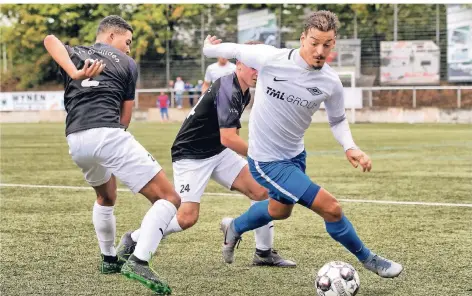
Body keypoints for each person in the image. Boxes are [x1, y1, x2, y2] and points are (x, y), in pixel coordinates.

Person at [203, 10, 403, 279]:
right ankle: (369, 260)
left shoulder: (330, 82)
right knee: (331, 208)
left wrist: (350, 146)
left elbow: (338, 120)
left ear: (333, 44)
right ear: (302, 39)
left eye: (327, 44)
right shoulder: (270, 58)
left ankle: (234, 226)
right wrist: (208, 46)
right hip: (266, 161)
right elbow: (229, 48)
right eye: (314, 43)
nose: (320, 51)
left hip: (296, 154)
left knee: (279, 210)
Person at [116, 41, 295, 268]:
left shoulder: (244, 92)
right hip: (191, 154)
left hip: (218, 151)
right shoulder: (228, 88)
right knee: (186, 218)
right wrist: (262, 157)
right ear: (239, 63)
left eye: (260, 65)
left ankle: (263, 252)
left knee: (262, 191)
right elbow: (228, 137)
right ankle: (133, 239)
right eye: (252, 65)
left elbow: (231, 134)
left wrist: (246, 161)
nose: (257, 71)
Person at [43, 15, 180, 295]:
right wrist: (116, 146)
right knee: (169, 198)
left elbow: (49, 40)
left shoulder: (76, 52)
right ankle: (139, 261)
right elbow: (125, 117)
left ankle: (108, 259)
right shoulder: (128, 64)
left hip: (75, 139)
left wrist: (75, 73)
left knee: (106, 195)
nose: (128, 48)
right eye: (127, 41)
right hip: (107, 133)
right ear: (110, 37)